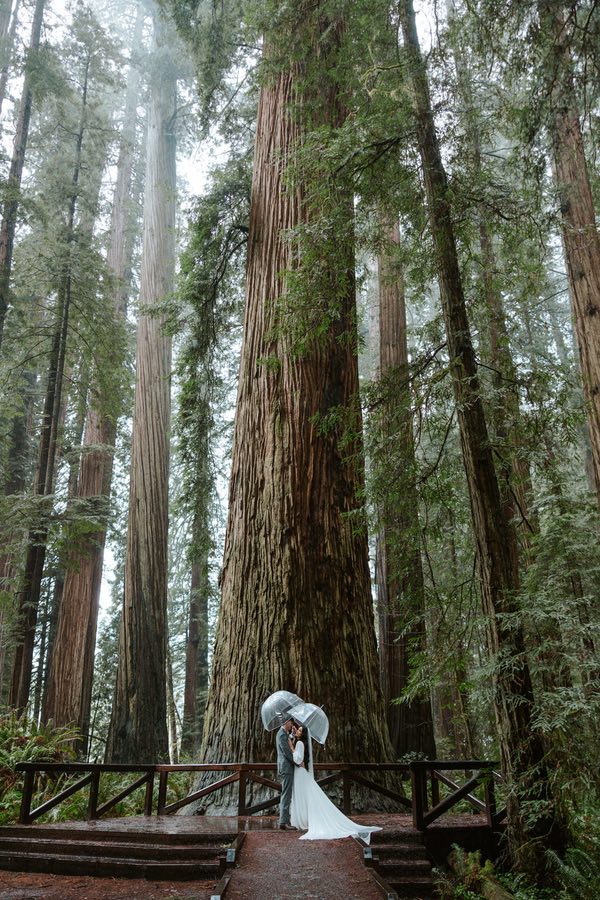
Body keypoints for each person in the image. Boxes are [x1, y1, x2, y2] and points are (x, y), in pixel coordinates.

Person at [289, 724, 382, 843]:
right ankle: (305, 819)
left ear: (303, 734)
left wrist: (292, 748)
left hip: (300, 773)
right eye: (298, 730)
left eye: (300, 731)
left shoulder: (299, 743)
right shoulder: (301, 743)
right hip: (301, 772)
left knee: (302, 796)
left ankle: (303, 820)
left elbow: (298, 759)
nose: (297, 731)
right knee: (305, 796)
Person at [276, 718, 297, 830]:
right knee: (286, 794)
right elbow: (287, 752)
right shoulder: (281, 735)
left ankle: (285, 821)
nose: (291, 725)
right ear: (285, 722)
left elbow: (289, 746)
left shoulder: (284, 734)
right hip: (286, 767)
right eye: (290, 723)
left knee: (287, 793)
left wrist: (292, 736)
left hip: (286, 767)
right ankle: (284, 822)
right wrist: (297, 762)